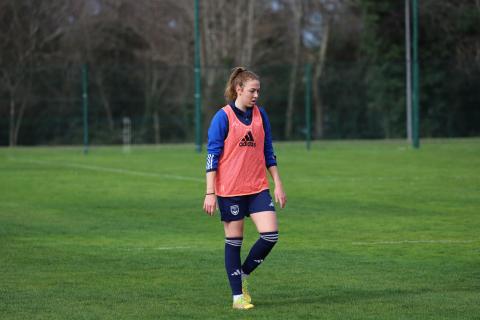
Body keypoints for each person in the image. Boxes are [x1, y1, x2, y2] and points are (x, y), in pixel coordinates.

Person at [203, 67, 287, 310]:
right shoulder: (223, 117)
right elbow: (212, 157)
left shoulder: (261, 115)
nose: (256, 95)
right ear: (238, 89)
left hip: (257, 187)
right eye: (252, 90)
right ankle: (238, 298)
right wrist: (210, 192)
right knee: (234, 241)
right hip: (230, 190)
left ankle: (243, 274)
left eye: (258, 91)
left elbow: (268, 151)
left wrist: (278, 183)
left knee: (270, 235)